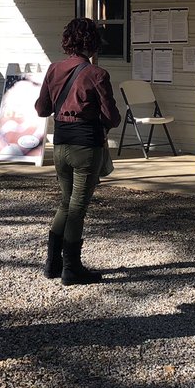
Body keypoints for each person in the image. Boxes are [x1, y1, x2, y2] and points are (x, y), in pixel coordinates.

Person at [34, 17, 121, 285]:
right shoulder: (97, 74)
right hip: (86, 145)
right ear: (93, 43)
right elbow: (112, 117)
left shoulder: (54, 69)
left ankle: (53, 263)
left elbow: (41, 109)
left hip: (60, 144)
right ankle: (72, 268)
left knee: (66, 202)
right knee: (77, 207)